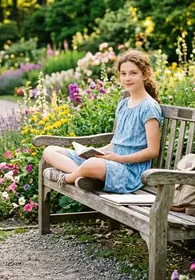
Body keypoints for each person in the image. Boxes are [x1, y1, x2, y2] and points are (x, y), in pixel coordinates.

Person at [43, 49, 162, 193]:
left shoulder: (149, 107)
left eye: (133, 73)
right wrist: (96, 152)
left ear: (145, 74)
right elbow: (115, 143)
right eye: (123, 74)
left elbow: (153, 151)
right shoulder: (124, 104)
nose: (127, 78)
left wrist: (119, 159)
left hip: (129, 170)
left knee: (92, 164)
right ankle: (85, 177)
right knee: (50, 151)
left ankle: (67, 178)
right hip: (111, 161)